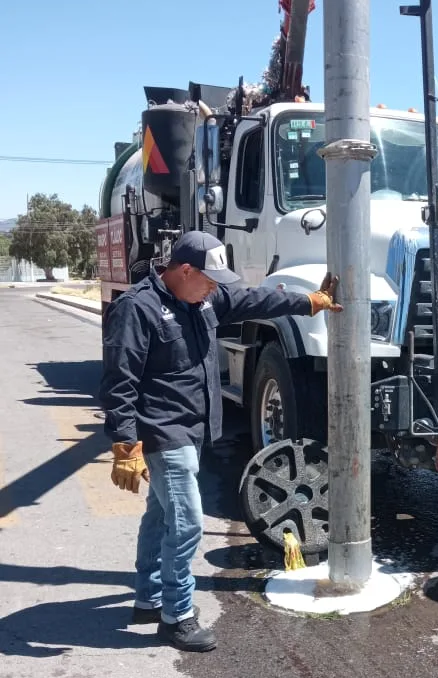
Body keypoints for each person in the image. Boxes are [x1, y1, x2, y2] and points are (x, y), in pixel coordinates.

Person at [100, 231, 341, 652]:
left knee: (160, 514)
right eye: (208, 281)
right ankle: (177, 616)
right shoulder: (137, 309)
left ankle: (148, 597)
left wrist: (308, 303)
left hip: (193, 429)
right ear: (185, 270)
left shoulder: (204, 299)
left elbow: (252, 300)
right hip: (163, 431)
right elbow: (120, 382)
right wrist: (125, 443)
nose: (213, 290)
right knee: (188, 521)